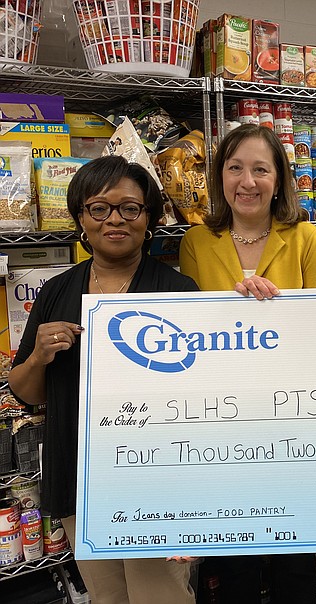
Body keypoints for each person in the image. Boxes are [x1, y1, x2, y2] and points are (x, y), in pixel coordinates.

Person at [8, 155, 199, 604]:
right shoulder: (56, 290)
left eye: (130, 208)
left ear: (148, 218)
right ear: (81, 217)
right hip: (79, 476)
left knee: (161, 597)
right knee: (107, 596)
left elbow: (201, 398)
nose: (115, 219)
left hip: (158, 481)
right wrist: (38, 355)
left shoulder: (177, 291)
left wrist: (195, 503)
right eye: (99, 207)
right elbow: (25, 390)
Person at [179, 123, 316, 604]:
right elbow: (188, 331)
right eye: (235, 168)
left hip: (292, 417)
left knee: (296, 558)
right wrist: (232, 309)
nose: (248, 181)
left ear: (279, 178)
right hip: (224, 421)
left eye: (260, 169)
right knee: (234, 560)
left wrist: (276, 311)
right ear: (219, 176)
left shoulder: (307, 237)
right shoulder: (195, 241)